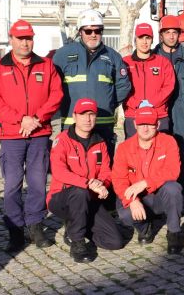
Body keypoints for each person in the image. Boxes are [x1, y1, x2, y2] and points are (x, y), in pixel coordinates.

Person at [0, 20, 62, 252]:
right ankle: (15, 230)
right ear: (11, 39)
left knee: (38, 183)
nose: (25, 43)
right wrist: (21, 120)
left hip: (39, 133)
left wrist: (36, 118)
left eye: (28, 38)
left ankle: (35, 226)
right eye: (20, 39)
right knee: (12, 185)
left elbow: (56, 94)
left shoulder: (46, 65)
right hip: (12, 134)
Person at [47, 98, 125, 263]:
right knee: (80, 192)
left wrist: (103, 184)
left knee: (115, 242)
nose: (88, 119)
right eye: (83, 115)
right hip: (61, 198)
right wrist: (88, 183)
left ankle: (77, 225)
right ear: (75, 117)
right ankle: (77, 242)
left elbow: (106, 171)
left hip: (89, 199)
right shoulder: (62, 140)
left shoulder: (100, 141)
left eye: (91, 115)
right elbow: (59, 172)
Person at [52, 9, 131, 156]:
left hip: (103, 123)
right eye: (88, 31)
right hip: (72, 123)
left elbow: (123, 86)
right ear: (80, 32)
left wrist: (108, 103)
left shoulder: (113, 56)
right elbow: (52, 85)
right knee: (73, 163)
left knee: (104, 165)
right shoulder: (63, 55)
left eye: (98, 31)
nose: (93, 35)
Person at [112, 108, 184, 253]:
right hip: (137, 197)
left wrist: (145, 183)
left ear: (157, 125)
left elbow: (173, 171)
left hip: (159, 195)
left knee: (173, 188)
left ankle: (174, 232)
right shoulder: (124, 148)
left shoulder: (168, 142)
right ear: (135, 124)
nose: (145, 128)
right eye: (141, 124)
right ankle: (145, 228)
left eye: (150, 124)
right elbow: (119, 179)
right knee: (125, 215)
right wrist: (132, 201)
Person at [122, 23, 175, 138]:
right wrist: (137, 104)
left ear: (152, 40)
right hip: (133, 116)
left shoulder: (163, 62)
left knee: (160, 149)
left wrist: (152, 102)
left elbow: (169, 86)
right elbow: (121, 87)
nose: (144, 42)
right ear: (135, 39)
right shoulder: (125, 63)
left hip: (158, 115)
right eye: (141, 38)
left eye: (148, 38)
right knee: (133, 149)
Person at [154, 15, 184, 152]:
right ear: (161, 35)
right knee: (161, 152)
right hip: (160, 113)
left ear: (179, 34)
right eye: (167, 32)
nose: (171, 36)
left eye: (174, 32)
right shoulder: (153, 56)